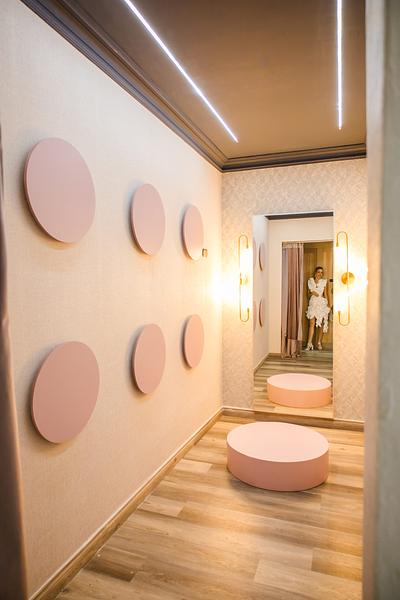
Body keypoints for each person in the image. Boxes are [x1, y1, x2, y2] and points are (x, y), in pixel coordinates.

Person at [305, 266, 331, 351]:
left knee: (321, 323)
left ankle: (319, 342)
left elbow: (325, 294)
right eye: (319, 272)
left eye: (321, 272)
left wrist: (328, 305)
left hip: (321, 303)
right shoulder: (310, 281)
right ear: (315, 273)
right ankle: (309, 343)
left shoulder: (324, 281)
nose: (320, 274)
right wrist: (312, 293)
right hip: (313, 302)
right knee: (311, 323)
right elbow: (308, 294)